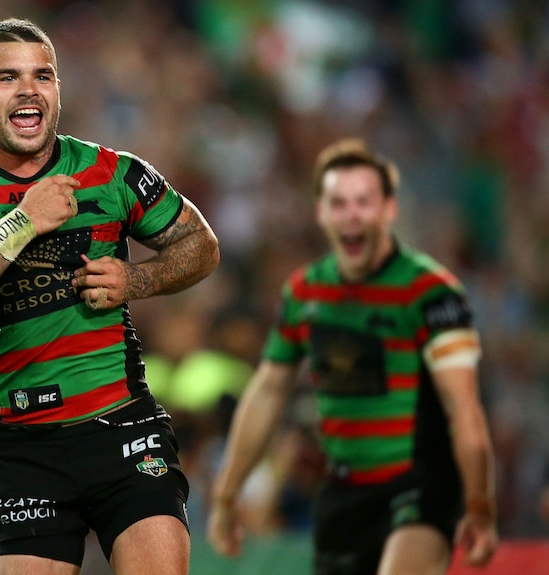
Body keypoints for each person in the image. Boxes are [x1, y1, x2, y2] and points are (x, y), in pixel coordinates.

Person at [0, 17, 220, 575]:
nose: (29, 89)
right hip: (22, 448)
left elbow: (201, 244)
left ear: (57, 91)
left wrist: (137, 280)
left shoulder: (113, 172)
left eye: (43, 76)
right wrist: (22, 221)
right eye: (8, 78)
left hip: (122, 425)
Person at [207, 138, 498, 574]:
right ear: (321, 212)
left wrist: (479, 504)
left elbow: (463, 407)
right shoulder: (304, 292)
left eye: (364, 201)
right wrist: (227, 496)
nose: (352, 215)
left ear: (389, 210)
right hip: (344, 489)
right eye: (339, 203)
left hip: (419, 481)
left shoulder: (432, 294)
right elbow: (268, 391)